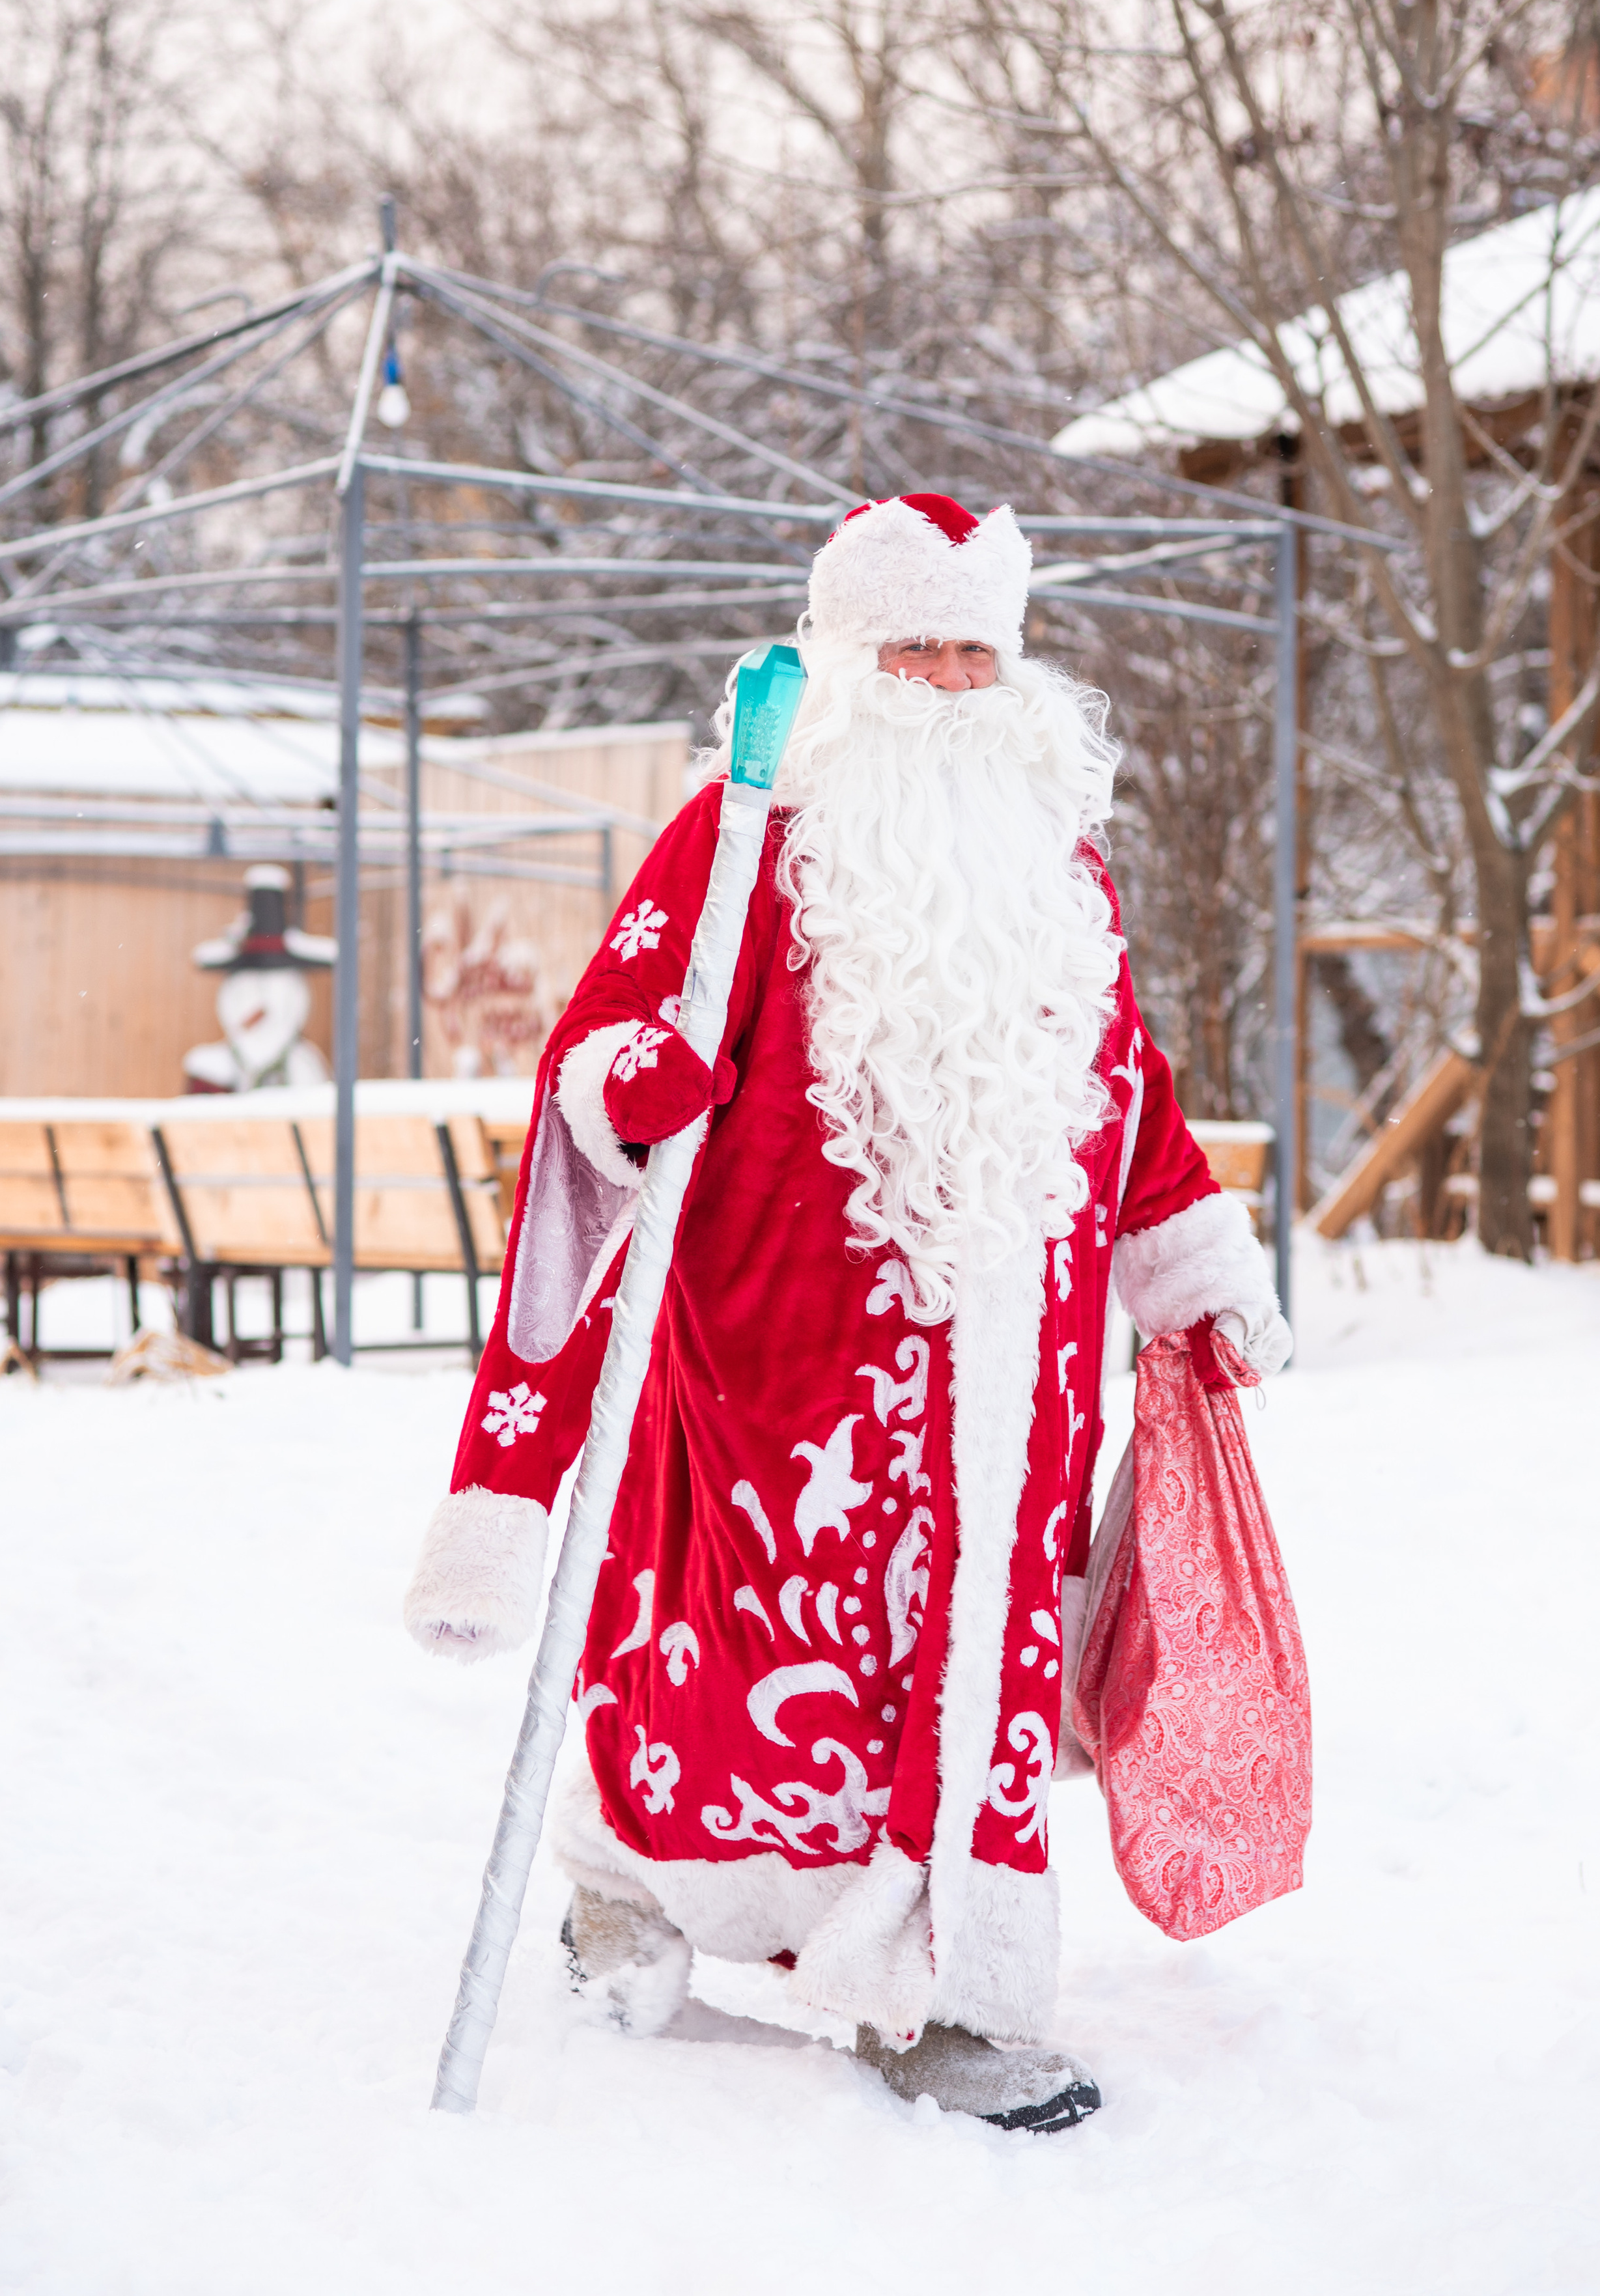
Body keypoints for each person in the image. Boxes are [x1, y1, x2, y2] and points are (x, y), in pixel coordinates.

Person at [404, 492, 1291, 2133]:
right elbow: (597, 1052)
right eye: (914, 648)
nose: (950, 681)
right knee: (738, 1670)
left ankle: (950, 1992)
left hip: (1010, 1376)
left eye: (976, 648)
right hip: (769, 1361)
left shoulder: (1058, 866)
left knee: (973, 1684)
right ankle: (633, 1892)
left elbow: (1124, 1079)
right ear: (841, 657)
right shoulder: (731, 842)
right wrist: (626, 1085)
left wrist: (1189, 1264)